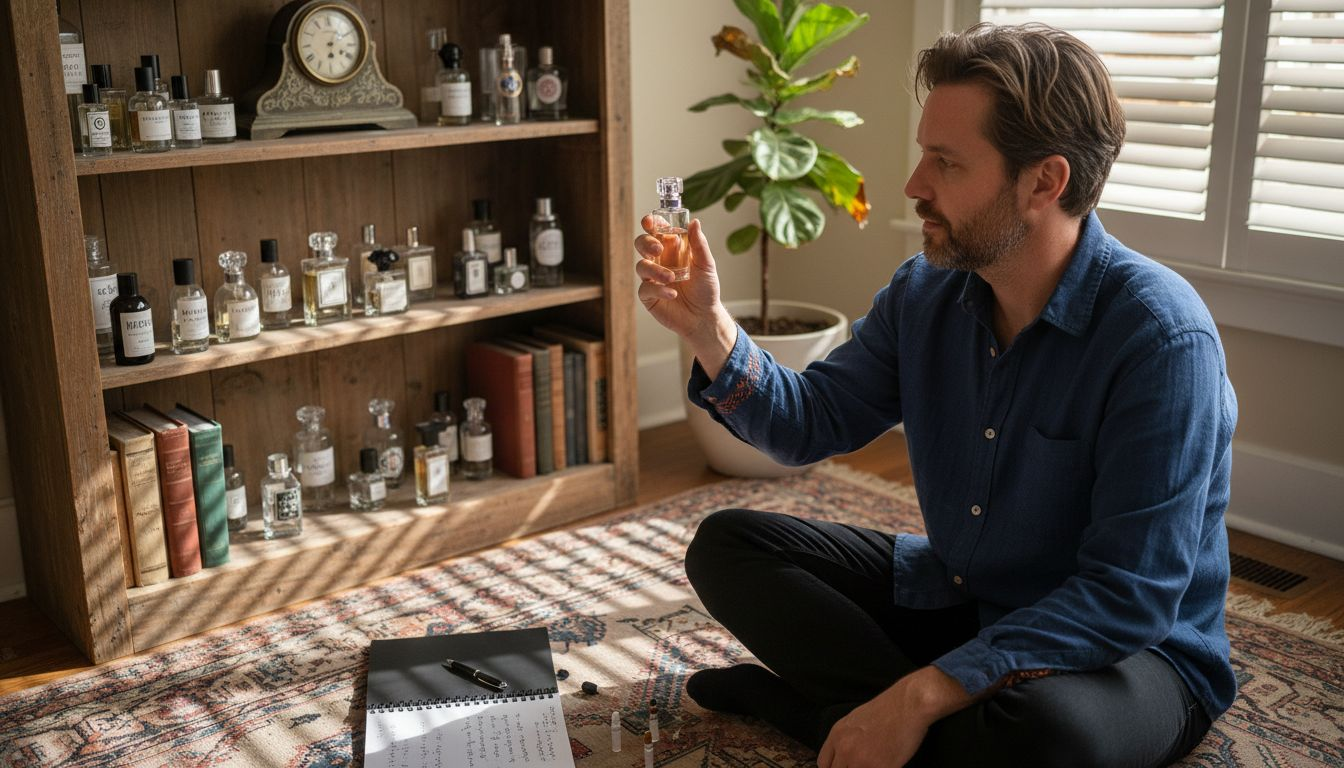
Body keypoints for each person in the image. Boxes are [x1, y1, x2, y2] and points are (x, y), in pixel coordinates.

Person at [633, 21, 1237, 768]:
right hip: (966, 595)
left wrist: (919, 695)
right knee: (730, 547)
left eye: (945, 163)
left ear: (1043, 183)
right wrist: (709, 328)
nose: (915, 185)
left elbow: (1129, 598)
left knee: (1050, 739)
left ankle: (817, 715)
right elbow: (809, 424)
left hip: (1131, 653)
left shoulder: (1160, 340)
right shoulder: (927, 293)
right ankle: (902, 728)